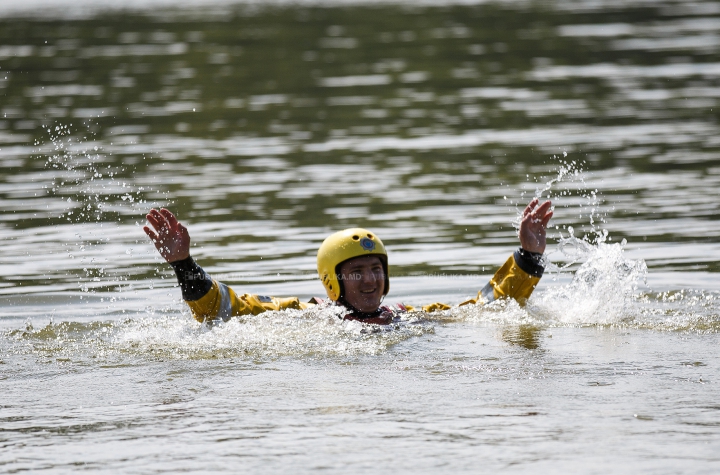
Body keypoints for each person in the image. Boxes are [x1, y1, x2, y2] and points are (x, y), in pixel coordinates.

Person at [144, 199, 553, 325]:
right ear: (332, 281)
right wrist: (184, 264)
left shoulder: (407, 316)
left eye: (376, 269)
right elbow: (222, 307)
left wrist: (528, 257)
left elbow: (487, 308)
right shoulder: (303, 316)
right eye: (357, 272)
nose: (371, 280)